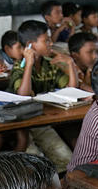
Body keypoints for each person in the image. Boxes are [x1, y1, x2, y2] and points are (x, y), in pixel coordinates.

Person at [9, 20, 77, 170]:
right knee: (35, 164)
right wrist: (29, 64)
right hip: (21, 126)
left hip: (42, 122)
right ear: (30, 45)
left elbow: (71, 90)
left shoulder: (49, 63)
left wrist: (71, 65)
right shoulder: (18, 67)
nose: (50, 43)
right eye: (46, 40)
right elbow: (23, 95)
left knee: (66, 160)